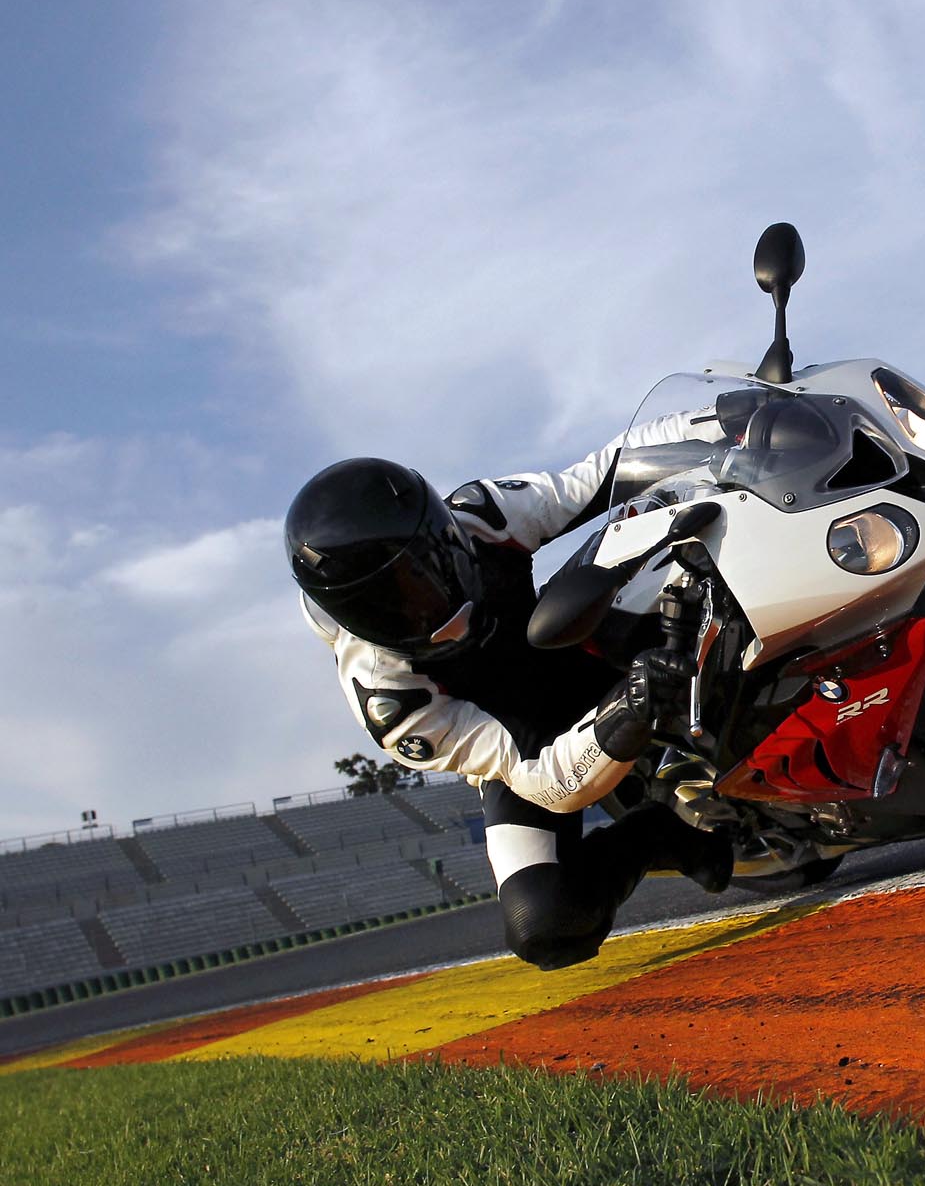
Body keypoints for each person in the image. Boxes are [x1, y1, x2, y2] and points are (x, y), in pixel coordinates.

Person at [285, 406, 734, 970]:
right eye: (387, 601)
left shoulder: (481, 514)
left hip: (582, 649)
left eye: (425, 566)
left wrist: (722, 419)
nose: (424, 599)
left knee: (691, 556)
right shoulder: (392, 702)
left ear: (444, 531)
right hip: (522, 747)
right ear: (349, 617)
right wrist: (630, 710)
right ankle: (655, 834)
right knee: (544, 926)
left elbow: (606, 471)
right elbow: (545, 780)